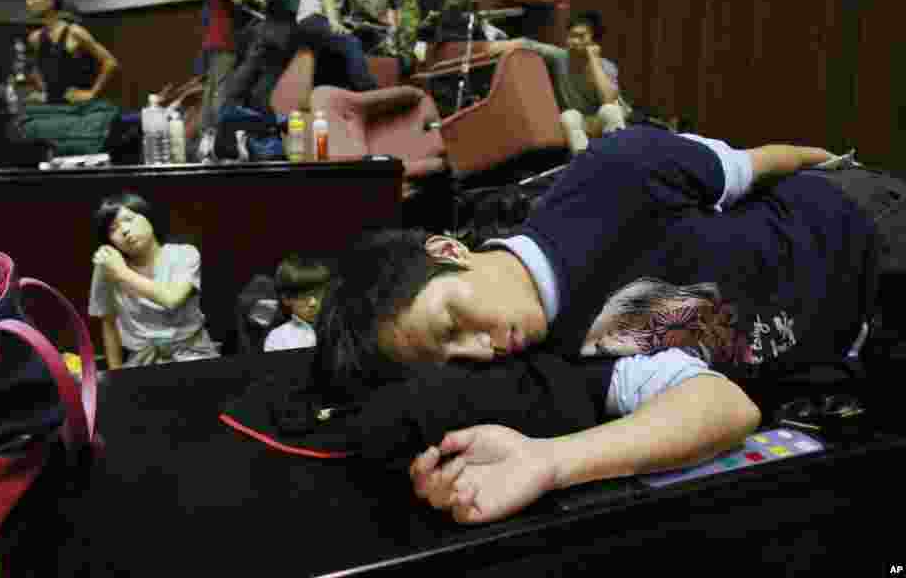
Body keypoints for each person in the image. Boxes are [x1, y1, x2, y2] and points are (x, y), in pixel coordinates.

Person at [316, 125, 899, 522]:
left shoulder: (612, 176)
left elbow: (758, 165)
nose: (485, 348)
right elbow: (726, 408)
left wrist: (832, 164)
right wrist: (548, 463)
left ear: (448, 251)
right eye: (455, 358)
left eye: (452, 323)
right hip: (858, 346)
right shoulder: (563, 361)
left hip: (866, 223)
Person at [89, 193, 220, 369]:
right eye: (113, 229)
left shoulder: (184, 254)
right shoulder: (107, 266)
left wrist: (122, 273)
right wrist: (116, 375)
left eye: (129, 219)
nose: (125, 231)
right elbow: (108, 323)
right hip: (142, 361)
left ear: (148, 218)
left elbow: (172, 299)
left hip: (193, 355)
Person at [488, 10, 628, 154]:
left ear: (594, 40)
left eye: (580, 37)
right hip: (582, 120)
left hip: (602, 119)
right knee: (568, 116)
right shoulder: (560, 58)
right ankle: (583, 163)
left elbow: (609, 99)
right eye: (571, 36)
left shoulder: (606, 66)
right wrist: (499, 45)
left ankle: (618, 161)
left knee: (609, 110)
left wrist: (594, 60)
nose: (573, 42)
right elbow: (530, 44)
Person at [201, 0, 269, 137]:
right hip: (224, 37)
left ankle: (207, 133)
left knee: (212, 87)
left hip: (214, 35)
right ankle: (219, 135)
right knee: (222, 89)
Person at [25, 0, 119, 105]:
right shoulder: (35, 38)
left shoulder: (74, 32)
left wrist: (92, 93)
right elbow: (36, 69)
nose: (28, 3)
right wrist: (45, 92)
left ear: (49, 1)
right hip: (53, 105)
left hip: (76, 108)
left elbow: (110, 62)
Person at [263, 255, 330, 352]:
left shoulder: (336, 330)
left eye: (318, 294)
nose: (313, 303)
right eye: (304, 296)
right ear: (286, 299)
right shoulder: (278, 338)